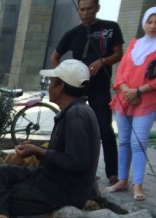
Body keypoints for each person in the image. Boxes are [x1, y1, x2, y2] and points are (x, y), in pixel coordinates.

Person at [0, 60, 100, 218]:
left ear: (61, 87)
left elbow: (78, 162)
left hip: (61, 190)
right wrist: (37, 149)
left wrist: (39, 152)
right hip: (48, 177)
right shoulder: (74, 110)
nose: (49, 87)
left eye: (51, 83)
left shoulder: (76, 115)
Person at [51, 0, 123, 186]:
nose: (84, 13)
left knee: (105, 129)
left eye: (89, 9)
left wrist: (102, 61)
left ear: (97, 8)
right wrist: (63, 77)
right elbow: (55, 56)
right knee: (75, 127)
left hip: (99, 87)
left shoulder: (110, 28)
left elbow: (118, 54)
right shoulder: (73, 33)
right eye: (81, 9)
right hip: (78, 88)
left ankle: (112, 173)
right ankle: (74, 169)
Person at [106, 7, 156, 201]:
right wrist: (127, 90)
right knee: (125, 141)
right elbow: (121, 71)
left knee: (139, 143)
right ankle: (122, 180)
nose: (153, 26)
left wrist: (138, 91)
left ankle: (138, 186)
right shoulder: (135, 44)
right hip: (124, 99)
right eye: (150, 21)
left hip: (146, 101)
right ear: (144, 23)